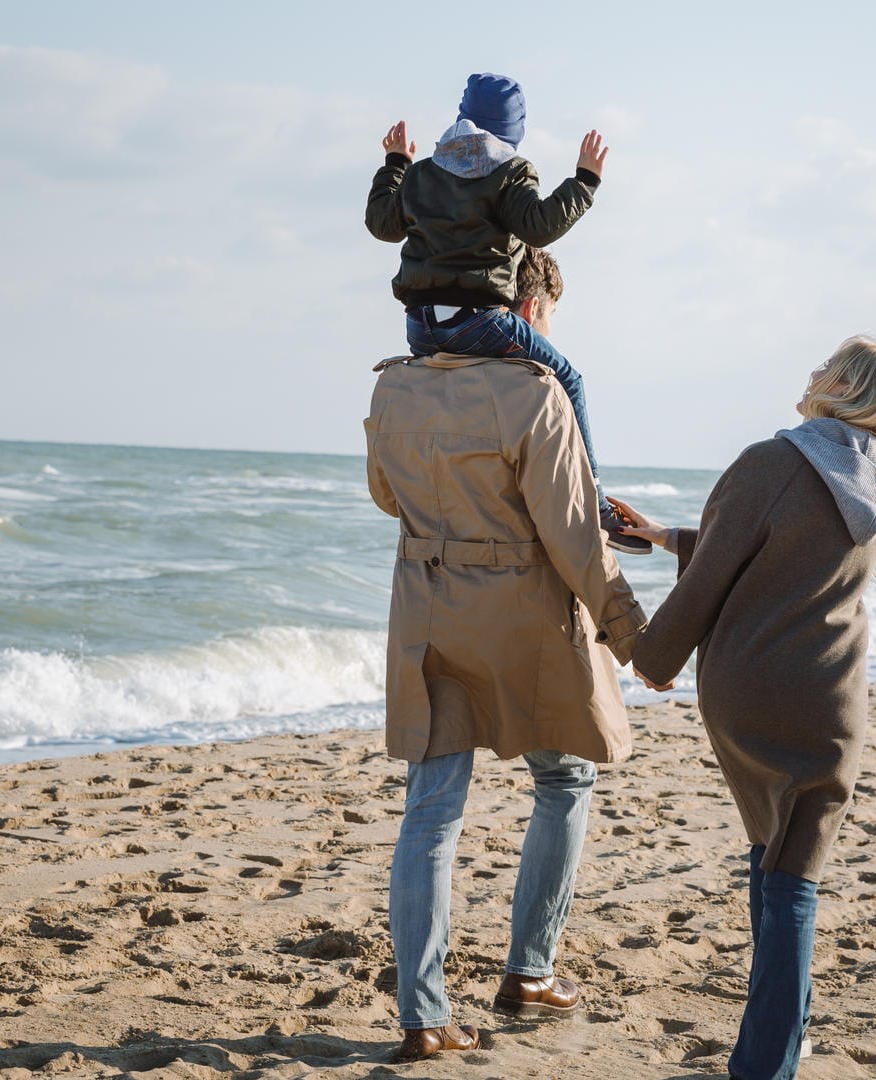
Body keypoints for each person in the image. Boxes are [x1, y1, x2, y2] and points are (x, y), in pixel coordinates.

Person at [364, 246, 649, 1063]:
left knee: (433, 809)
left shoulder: (393, 384)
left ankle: (423, 1016)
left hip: (429, 611)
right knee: (565, 775)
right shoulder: (537, 391)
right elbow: (575, 543)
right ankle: (530, 969)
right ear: (529, 310)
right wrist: (634, 636)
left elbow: (386, 494)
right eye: (550, 318)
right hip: (524, 617)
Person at [619, 336, 876, 1080]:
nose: (811, 372)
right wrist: (666, 536)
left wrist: (655, 659)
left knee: (780, 868)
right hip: (833, 698)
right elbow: (787, 555)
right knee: (790, 857)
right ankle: (783, 1038)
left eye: (826, 364)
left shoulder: (772, 461)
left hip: (752, 688)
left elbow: (720, 574)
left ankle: (766, 1063)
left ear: (846, 385)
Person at [365, 71, 651, 555]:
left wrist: (395, 163)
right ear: (512, 128)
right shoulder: (512, 171)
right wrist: (585, 180)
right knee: (569, 378)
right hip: (477, 321)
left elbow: (381, 223)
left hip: (420, 326)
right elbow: (539, 227)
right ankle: (597, 502)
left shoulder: (423, 173)